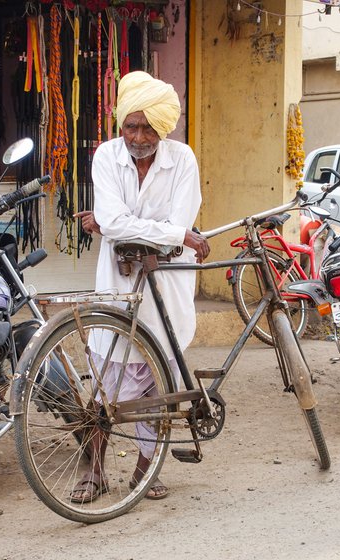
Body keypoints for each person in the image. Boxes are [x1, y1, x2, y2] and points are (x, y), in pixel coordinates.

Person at [73, 70, 210, 502]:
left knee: (158, 385)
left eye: (148, 126)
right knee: (104, 390)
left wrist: (147, 230)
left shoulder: (182, 158)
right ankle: (94, 471)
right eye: (131, 126)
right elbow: (118, 221)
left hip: (166, 285)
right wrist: (175, 236)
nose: (138, 135)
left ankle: (145, 471)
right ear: (121, 126)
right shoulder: (106, 156)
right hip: (118, 282)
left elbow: (170, 220)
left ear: (163, 127)